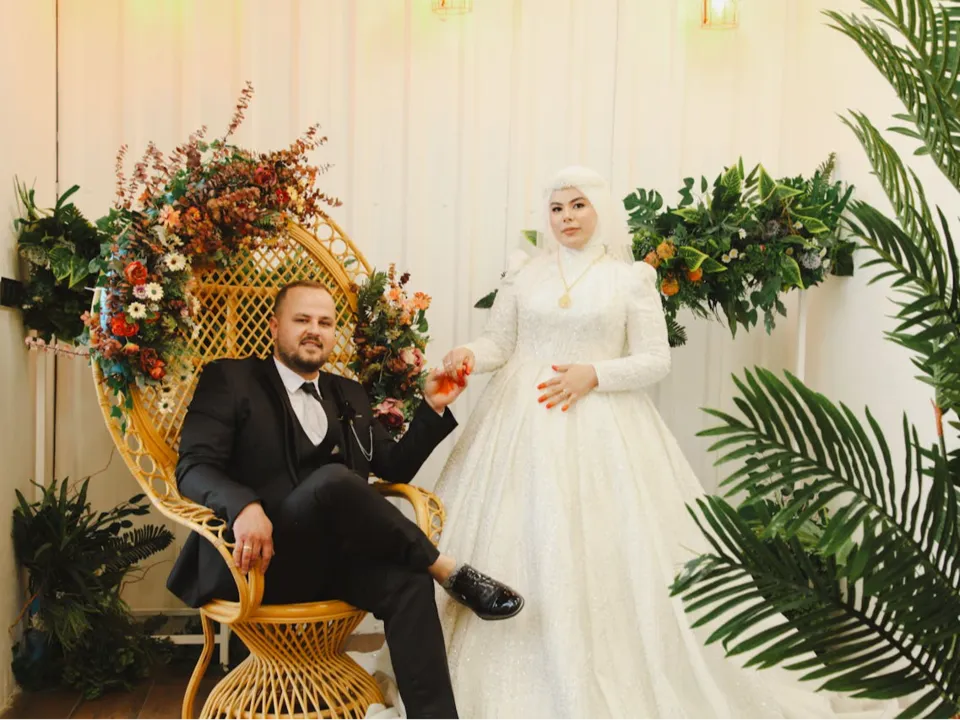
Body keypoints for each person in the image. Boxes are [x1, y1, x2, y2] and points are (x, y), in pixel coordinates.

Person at [429, 166, 905, 718]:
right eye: (557, 208)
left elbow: (655, 359)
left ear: (600, 209)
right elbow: (499, 343)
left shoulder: (630, 279)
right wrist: (468, 353)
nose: (566, 218)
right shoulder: (524, 274)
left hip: (601, 425)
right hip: (517, 425)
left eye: (578, 205)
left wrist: (595, 374)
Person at [166, 279, 524, 720]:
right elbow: (193, 467)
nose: (314, 330)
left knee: (408, 583)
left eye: (325, 323)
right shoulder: (232, 379)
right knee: (334, 479)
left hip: (331, 563)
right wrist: (244, 506)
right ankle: (447, 570)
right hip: (255, 563)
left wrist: (431, 407)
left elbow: (393, 466)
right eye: (302, 320)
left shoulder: (348, 393)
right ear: (275, 326)